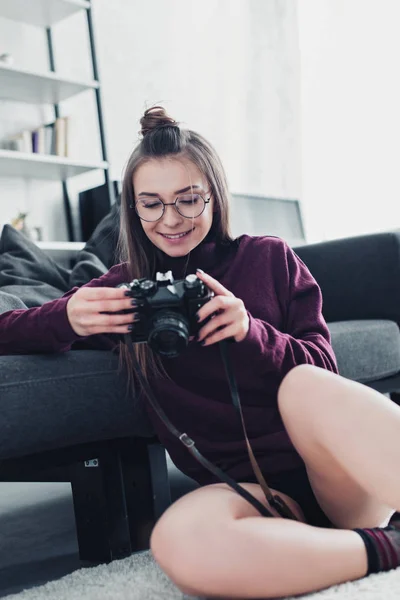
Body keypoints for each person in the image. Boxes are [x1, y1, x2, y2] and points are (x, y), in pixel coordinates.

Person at [1, 106, 400, 599]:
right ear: (133, 208)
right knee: (177, 541)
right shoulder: (124, 293)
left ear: (214, 195)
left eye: (189, 200)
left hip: (336, 480)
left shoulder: (267, 257)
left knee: (302, 383)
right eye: (151, 204)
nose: (171, 220)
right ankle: (382, 548)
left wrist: (252, 332)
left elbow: (325, 375)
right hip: (258, 499)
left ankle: (359, 526)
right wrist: (65, 316)